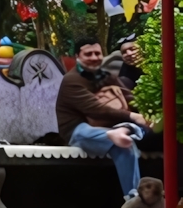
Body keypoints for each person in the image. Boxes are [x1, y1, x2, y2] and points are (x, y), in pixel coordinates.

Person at [56, 37, 148, 198]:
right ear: (78, 56)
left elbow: (129, 97)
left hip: (111, 129)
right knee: (82, 131)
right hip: (78, 130)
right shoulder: (71, 80)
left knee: (126, 144)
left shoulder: (105, 76)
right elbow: (95, 110)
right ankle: (113, 133)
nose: (94, 57)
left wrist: (148, 113)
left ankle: (133, 200)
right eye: (88, 54)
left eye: (97, 53)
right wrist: (133, 116)